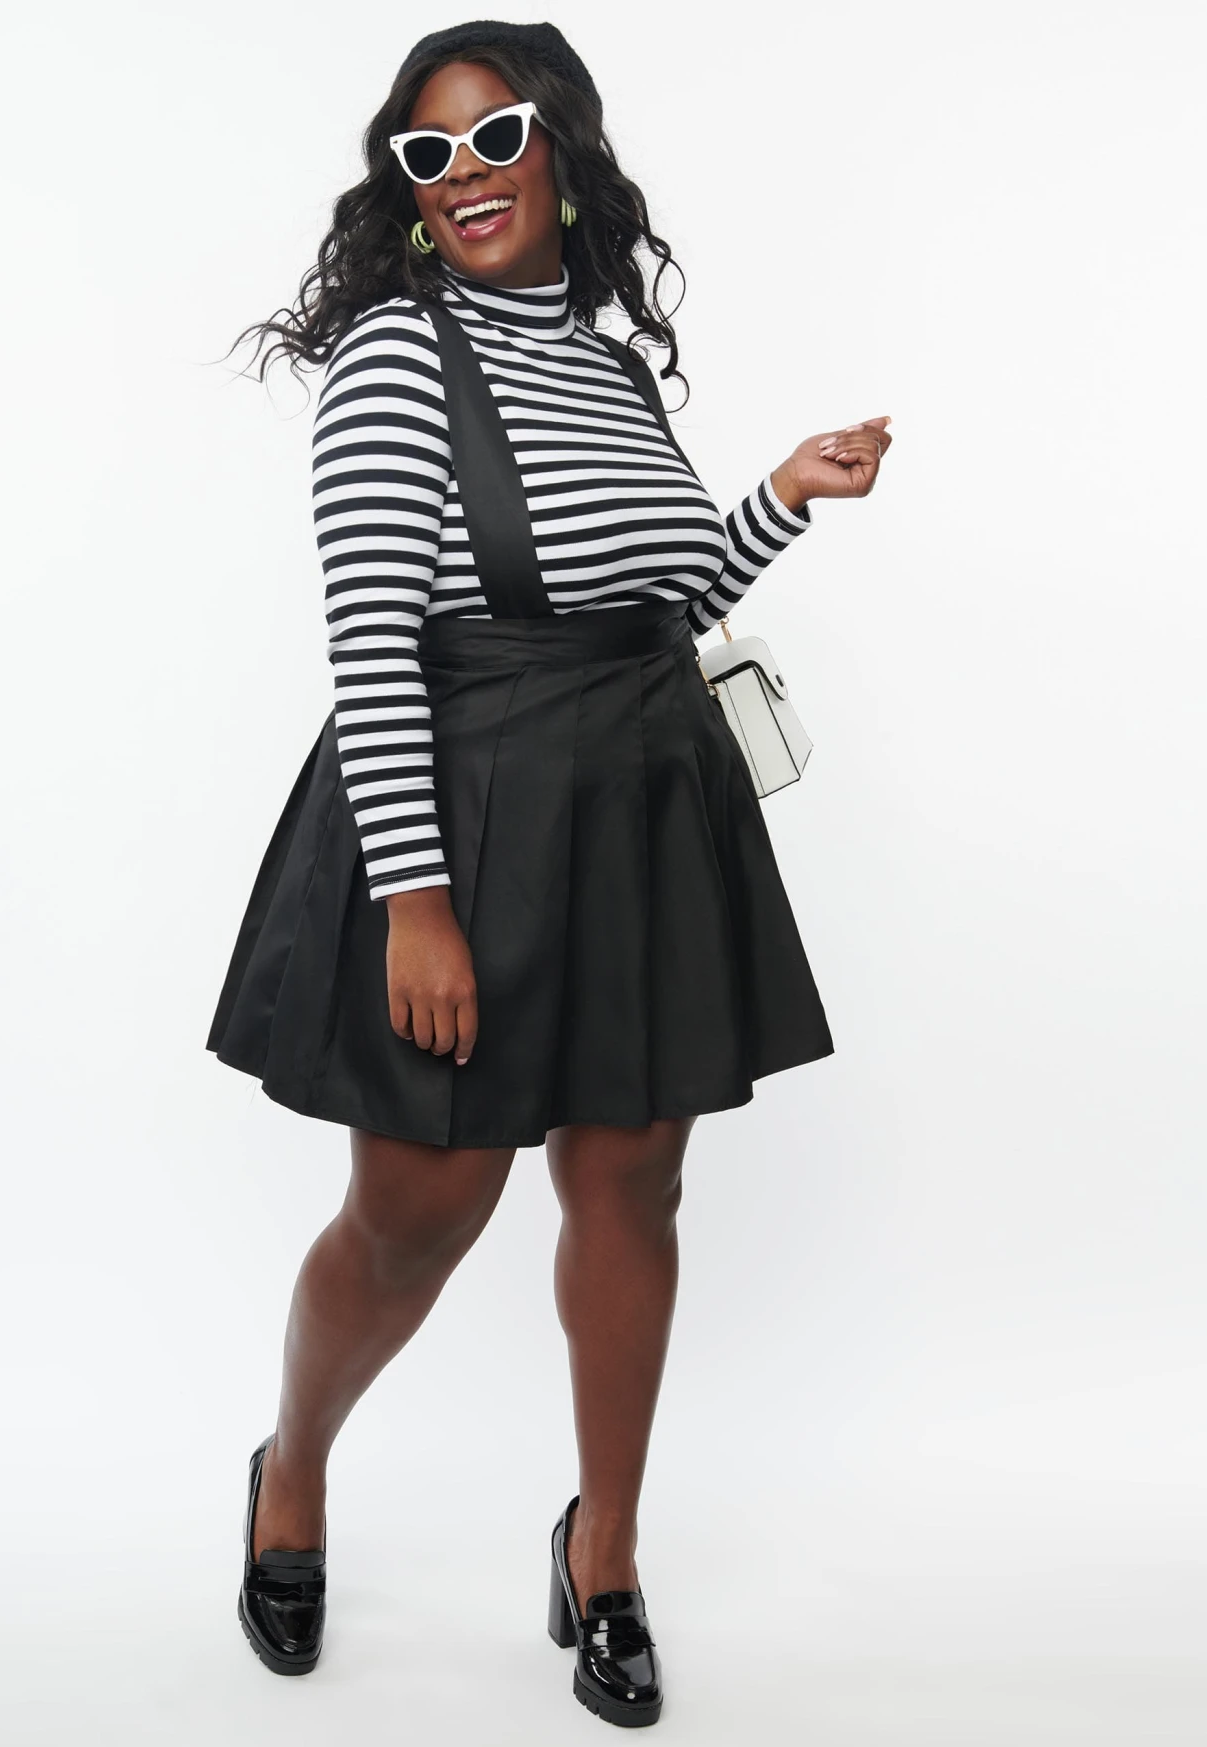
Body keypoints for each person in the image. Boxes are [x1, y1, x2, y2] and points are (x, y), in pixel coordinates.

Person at [206, 18, 891, 1727]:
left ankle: (607, 1549)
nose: (465, 174)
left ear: (562, 151)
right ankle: (291, 1469)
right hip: (466, 812)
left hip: (640, 809)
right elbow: (375, 643)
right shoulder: (395, 356)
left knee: (632, 1188)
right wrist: (418, 902)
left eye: (497, 135)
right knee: (419, 1209)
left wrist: (782, 494)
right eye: (427, 154)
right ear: (407, 193)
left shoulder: (612, 366)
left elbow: (660, 601)